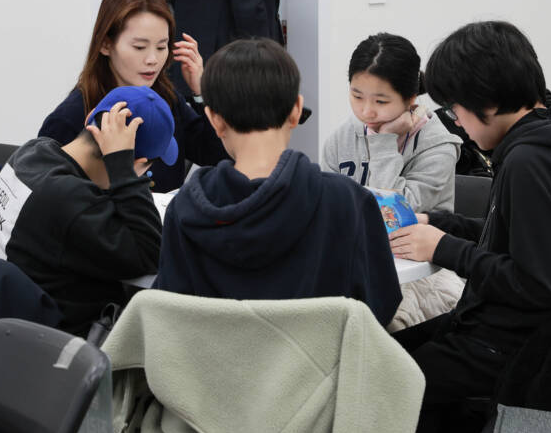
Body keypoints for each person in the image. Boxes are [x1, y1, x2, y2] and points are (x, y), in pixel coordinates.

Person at [387, 21, 551, 433]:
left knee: (385, 378)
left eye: (456, 110)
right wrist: (440, 224)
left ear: (487, 100)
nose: (457, 123)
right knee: (384, 354)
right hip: (524, 333)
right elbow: (521, 237)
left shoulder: (529, 161)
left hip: (520, 349)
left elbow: (538, 284)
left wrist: (444, 248)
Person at [153, 38, 401, 326]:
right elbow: (379, 308)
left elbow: (171, 314)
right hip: (319, 356)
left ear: (214, 120)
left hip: (212, 356)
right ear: (296, 111)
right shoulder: (348, 202)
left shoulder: (185, 208)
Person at [0, 86, 170, 335]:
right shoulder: (73, 203)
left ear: (89, 117)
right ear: (137, 165)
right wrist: (123, 171)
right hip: (52, 343)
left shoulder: (32, 151)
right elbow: (151, 255)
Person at [322, 32, 463, 329]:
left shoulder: (438, 145)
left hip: (420, 272)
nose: (366, 111)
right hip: (353, 263)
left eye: (381, 101)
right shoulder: (342, 137)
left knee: (385, 325)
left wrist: (384, 143)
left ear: (411, 98)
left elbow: (393, 216)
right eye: (356, 96)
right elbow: (327, 207)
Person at [38, 0, 227, 193]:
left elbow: (217, 155)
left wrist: (201, 92)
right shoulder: (69, 117)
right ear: (105, 44)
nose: (153, 59)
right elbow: (49, 195)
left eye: (162, 46)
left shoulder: (165, 99)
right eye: (139, 47)